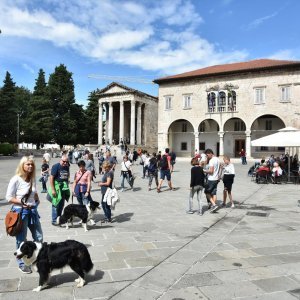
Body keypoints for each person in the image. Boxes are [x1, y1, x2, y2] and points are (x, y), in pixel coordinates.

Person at [6, 156, 43, 274]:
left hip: (33, 211)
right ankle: (21, 263)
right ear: (22, 165)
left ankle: (38, 258)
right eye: (28, 164)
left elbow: (34, 192)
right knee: (21, 239)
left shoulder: (32, 178)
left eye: (32, 164)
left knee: (39, 237)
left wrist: (36, 200)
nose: (30, 166)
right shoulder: (16, 179)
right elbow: (9, 197)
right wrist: (22, 203)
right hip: (21, 212)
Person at [49, 155, 70, 225]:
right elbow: (51, 178)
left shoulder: (67, 167)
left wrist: (67, 185)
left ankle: (59, 218)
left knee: (61, 204)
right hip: (57, 187)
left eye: (67, 162)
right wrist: (53, 190)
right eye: (64, 161)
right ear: (60, 160)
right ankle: (54, 220)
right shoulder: (56, 166)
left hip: (63, 188)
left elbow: (67, 176)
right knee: (55, 204)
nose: (65, 163)